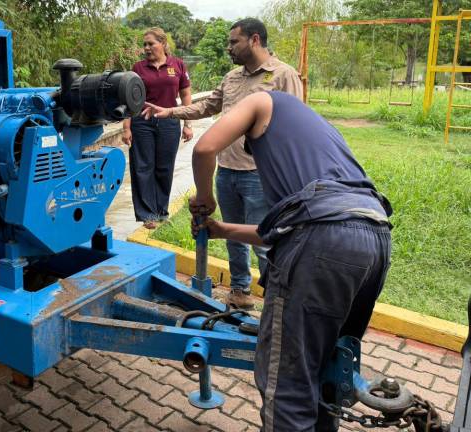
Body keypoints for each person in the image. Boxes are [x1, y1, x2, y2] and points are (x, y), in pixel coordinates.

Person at [190, 91, 392, 432]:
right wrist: (221, 229)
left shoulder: (262, 100)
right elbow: (289, 232)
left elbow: (204, 148)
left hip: (324, 240)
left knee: (288, 385)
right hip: (375, 236)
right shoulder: (319, 139)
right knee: (328, 367)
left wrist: (206, 198)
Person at [143, 18, 302, 309]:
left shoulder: (283, 75)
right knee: (232, 235)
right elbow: (208, 105)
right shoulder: (232, 77)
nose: (228, 48)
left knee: (265, 241)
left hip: (261, 175)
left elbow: (296, 123)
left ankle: (277, 304)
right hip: (226, 170)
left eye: (234, 42)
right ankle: (240, 290)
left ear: (254, 40)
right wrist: (170, 111)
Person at [122, 27, 193, 229]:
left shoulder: (177, 65)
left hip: (170, 122)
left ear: (162, 43)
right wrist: (126, 128)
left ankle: (161, 211)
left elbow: (186, 95)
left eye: (151, 43)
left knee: (164, 167)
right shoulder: (138, 68)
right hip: (142, 122)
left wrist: (187, 123)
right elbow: (129, 100)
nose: (146, 48)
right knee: (143, 167)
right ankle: (147, 214)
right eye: (144, 44)